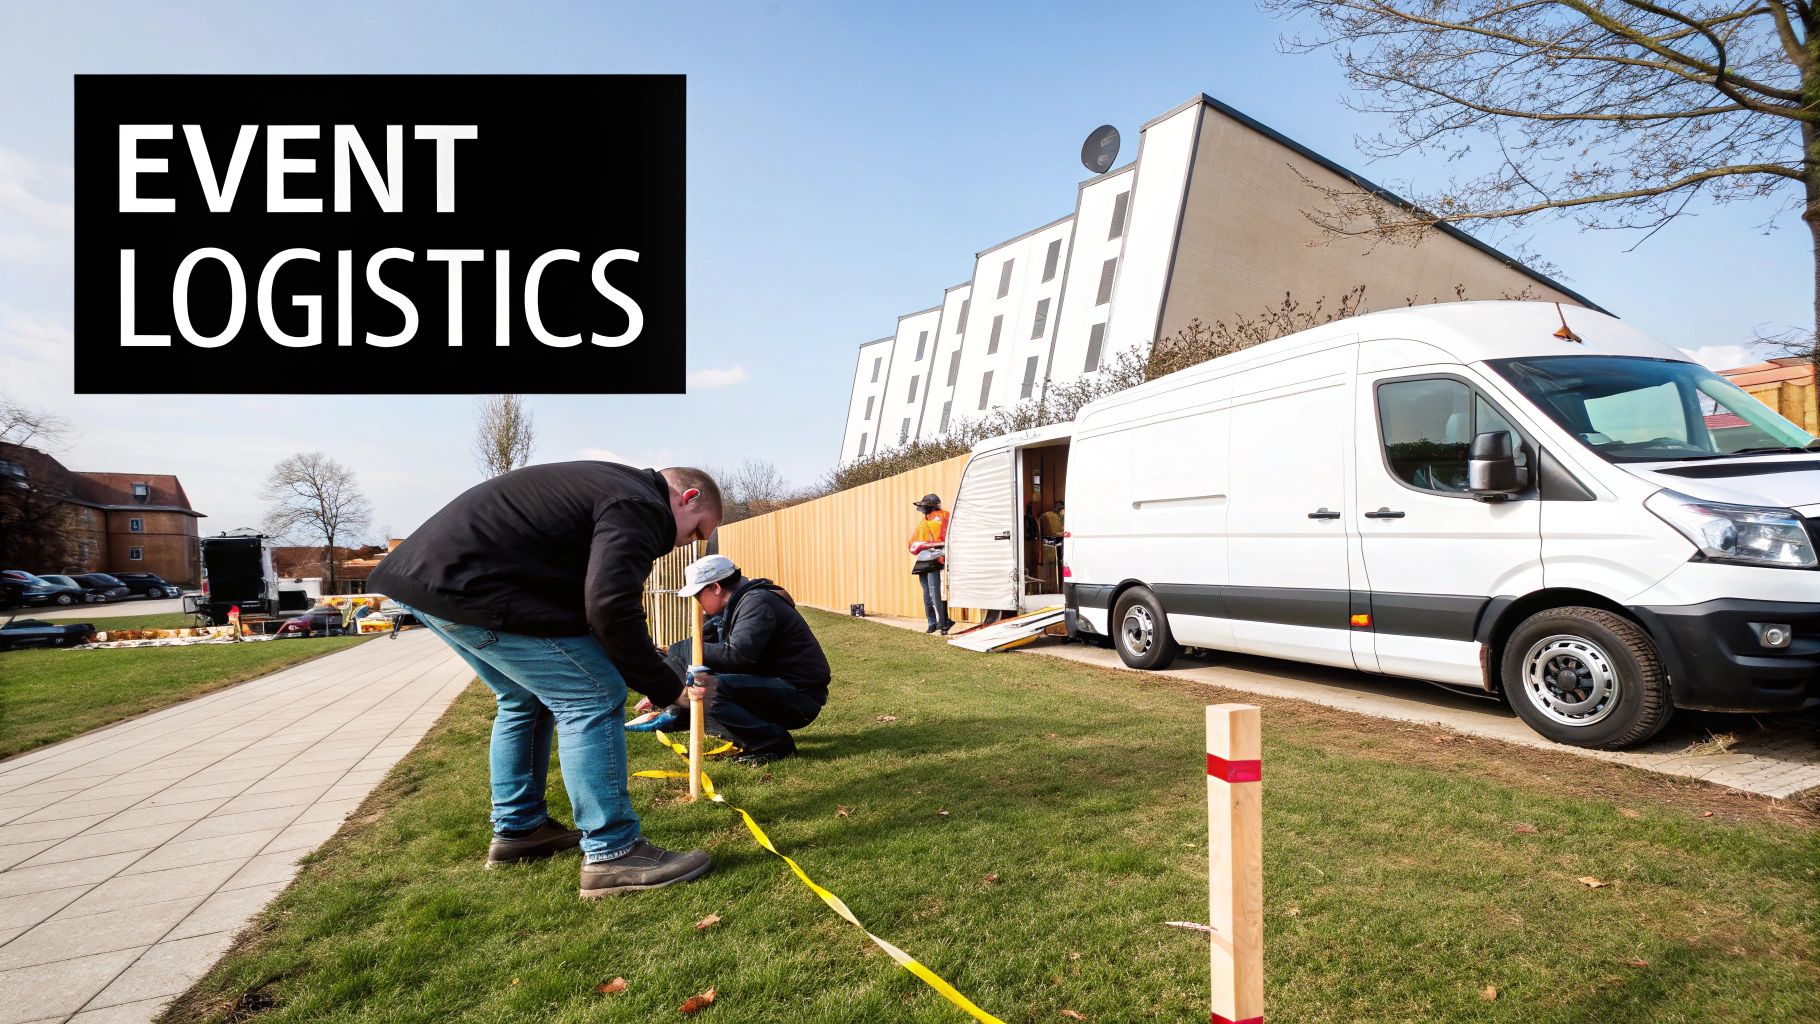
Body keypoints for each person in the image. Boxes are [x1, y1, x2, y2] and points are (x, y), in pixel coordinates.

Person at [368, 462, 723, 899]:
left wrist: (651, 665)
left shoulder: (612, 486)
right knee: (594, 696)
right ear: (688, 499)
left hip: (431, 581)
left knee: (523, 699)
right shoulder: (641, 506)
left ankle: (520, 830)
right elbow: (609, 606)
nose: (686, 543)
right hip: (467, 588)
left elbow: (592, 598)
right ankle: (613, 852)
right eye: (695, 531)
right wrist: (670, 692)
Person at [630, 555, 830, 766]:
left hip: (800, 695)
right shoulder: (733, 606)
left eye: (698, 594)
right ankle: (681, 713)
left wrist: (682, 649)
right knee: (678, 664)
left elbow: (736, 655)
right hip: (773, 686)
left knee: (706, 688)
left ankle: (772, 744)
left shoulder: (757, 603)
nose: (696, 602)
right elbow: (700, 649)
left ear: (716, 587)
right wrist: (666, 686)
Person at [909, 493, 954, 634]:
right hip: (924, 559)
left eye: (924, 506)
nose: (922, 509)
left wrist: (925, 545)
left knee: (934, 593)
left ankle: (942, 623)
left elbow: (942, 538)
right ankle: (933, 623)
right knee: (928, 593)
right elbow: (914, 541)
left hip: (935, 559)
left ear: (931, 506)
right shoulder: (925, 520)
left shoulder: (941, 517)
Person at [1039, 500, 1065, 589]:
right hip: (1051, 543)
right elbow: (1051, 532)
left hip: (1055, 542)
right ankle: (1055, 586)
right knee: (1055, 564)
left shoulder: (1048, 515)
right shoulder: (1047, 516)